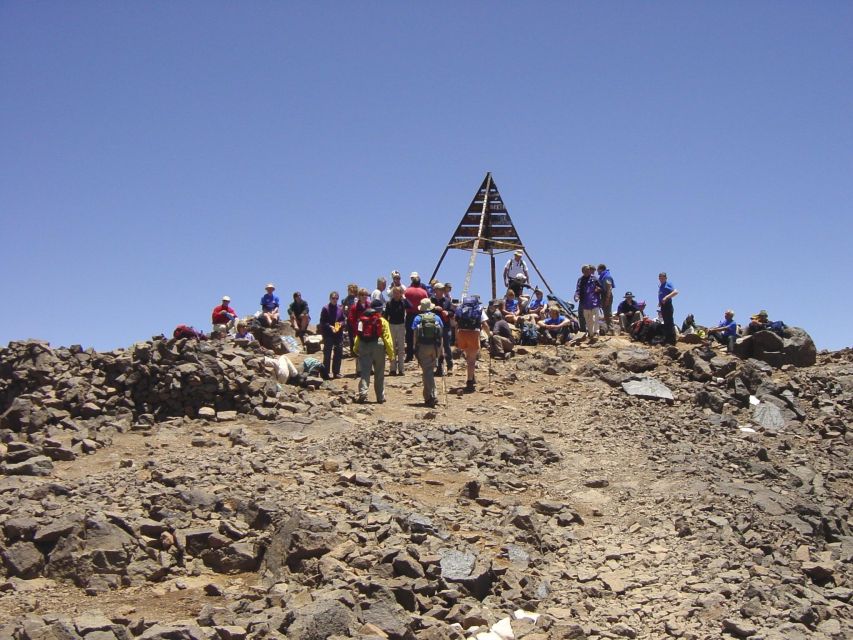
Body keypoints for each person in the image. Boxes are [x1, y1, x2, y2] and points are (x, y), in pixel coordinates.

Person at [353, 299, 395, 403]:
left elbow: (358, 335)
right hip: (378, 346)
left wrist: (355, 348)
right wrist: (391, 354)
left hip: (364, 346)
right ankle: (380, 397)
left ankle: (363, 393)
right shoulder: (383, 321)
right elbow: (387, 338)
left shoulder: (362, 319)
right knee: (379, 373)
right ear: (380, 310)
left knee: (365, 372)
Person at [412, 299, 444, 407]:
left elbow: (415, 335)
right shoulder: (437, 318)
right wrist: (441, 351)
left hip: (423, 347)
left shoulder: (418, 318)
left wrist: (414, 348)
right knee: (428, 371)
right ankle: (428, 396)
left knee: (427, 371)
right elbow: (441, 335)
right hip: (435, 347)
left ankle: (432, 395)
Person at [454, 295, 491, 392]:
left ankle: (472, 377)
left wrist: (456, 338)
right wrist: (489, 334)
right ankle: (469, 382)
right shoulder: (479, 309)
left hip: (461, 333)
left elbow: (455, 324)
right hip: (473, 333)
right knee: (472, 360)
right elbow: (485, 324)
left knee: (468, 357)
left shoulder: (460, 308)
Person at [318, 291, 346, 379]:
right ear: (330, 298)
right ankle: (325, 373)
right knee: (327, 353)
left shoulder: (340, 309)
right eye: (333, 298)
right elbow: (322, 322)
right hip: (328, 334)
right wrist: (330, 326)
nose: (335, 300)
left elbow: (343, 319)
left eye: (336, 298)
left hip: (338, 333)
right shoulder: (325, 308)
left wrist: (340, 324)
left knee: (338, 352)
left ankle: (336, 372)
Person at [404, 272, 429, 362]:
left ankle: (409, 355)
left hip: (410, 315)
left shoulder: (407, 291)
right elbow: (427, 303)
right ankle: (420, 355)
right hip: (420, 314)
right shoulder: (424, 292)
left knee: (409, 336)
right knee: (420, 335)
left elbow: (404, 302)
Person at [383, 285, 408, 376]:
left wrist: (404, 298)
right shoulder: (389, 303)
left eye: (398, 293)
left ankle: (401, 369)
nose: (396, 294)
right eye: (394, 293)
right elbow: (385, 316)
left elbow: (410, 305)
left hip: (401, 325)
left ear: (401, 293)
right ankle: (392, 369)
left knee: (401, 348)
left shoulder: (403, 302)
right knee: (392, 348)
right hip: (391, 325)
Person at [430, 282, 454, 376]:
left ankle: (450, 367)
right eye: (440, 289)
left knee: (447, 346)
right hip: (434, 326)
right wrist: (434, 308)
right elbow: (425, 310)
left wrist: (447, 312)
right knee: (436, 347)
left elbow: (452, 312)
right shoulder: (431, 300)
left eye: (442, 289)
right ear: (435, 290)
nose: (442, 291)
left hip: (445, 326)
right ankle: (439, 368)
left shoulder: (447, 301)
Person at [574, 265, 602, 339]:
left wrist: (598, 289)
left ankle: (596, 332)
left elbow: (601, 288)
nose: (587, 271)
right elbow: (578, 289)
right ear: (583, 271)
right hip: (585, 303)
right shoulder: (580, 279)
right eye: (586, 270)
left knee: (595, 317)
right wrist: (576, 296)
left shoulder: (594, 278)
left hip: (594, 301)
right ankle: (591, 333)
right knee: (588, 319)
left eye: (588, 270)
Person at [658, 272, 679, 345]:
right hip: (663, 306)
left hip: (668, 305)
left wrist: (666, 297)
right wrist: (660, 302)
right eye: (660, 277)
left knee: (669, 322)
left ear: (666, 278)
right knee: (666, 323)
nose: (661, 279)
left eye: (662, 277)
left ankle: (672, 340)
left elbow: (676, 292)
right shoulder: (661, 286)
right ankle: (667, 339)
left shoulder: (668, 284)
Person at [597, 264, 615, 335]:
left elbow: (609, 288)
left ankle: (611, 329)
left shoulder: (607, 276)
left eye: (598, 270)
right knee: (606, 313)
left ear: (601, 269)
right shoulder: (603, 276)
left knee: (608, 313)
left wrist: (607, 299)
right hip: (604, 295)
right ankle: (609, 329)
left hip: (607, 296)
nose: (597, 271)